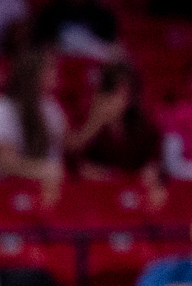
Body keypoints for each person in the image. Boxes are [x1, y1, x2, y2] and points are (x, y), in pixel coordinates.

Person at [67, 63, 162, 191]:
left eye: (124, 93)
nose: (118, 100)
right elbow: (72, 161)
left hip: (132, 192)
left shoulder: (144, 128)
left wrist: (150, 171)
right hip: (96, 192)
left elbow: (153, 165)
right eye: (113, 92)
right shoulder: (87, 121)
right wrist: (95, 123)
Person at [0, 50, 67, 190]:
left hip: (48, 188)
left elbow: (70, 146)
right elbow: (4, 163)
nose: (56, 73)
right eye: (50, 68)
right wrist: (43, 171)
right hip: (7, 190)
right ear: (33, 73)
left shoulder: (52, 107)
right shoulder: (1, 107)